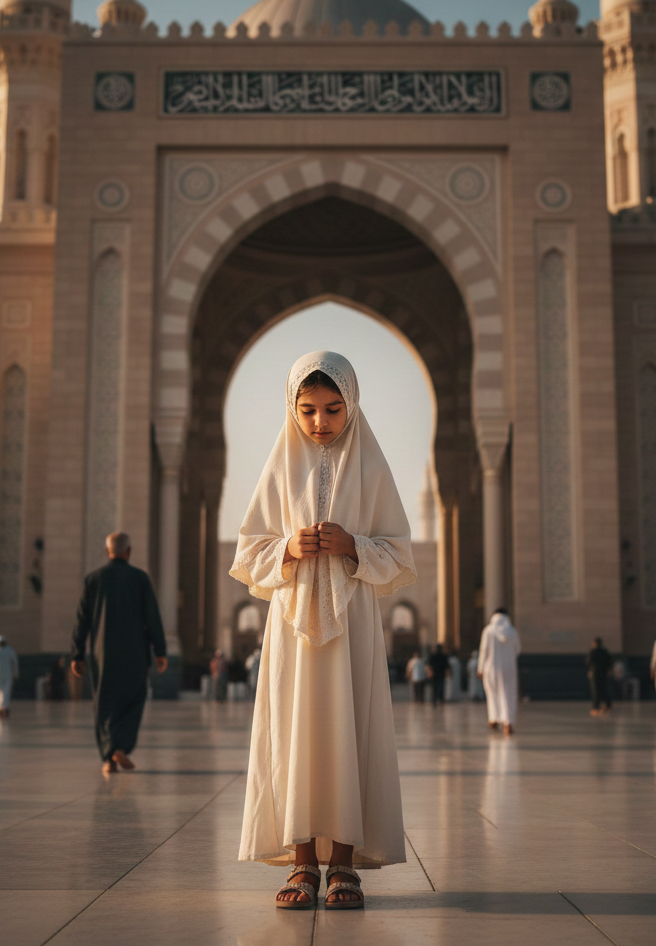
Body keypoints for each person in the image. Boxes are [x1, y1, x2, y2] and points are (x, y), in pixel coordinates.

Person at [231, 352, 415, 910]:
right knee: (294, 732)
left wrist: (353, 546)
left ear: (351, 405)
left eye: (333, 409)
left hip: (351, 620)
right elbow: (248, 551)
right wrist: (287, 546)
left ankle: (343, 863)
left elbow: (400, 553)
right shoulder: (280, 466)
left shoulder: (370, 465)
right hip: (292, 623)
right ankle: (302, 862)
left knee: (347, 729)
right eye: (308, 410)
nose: (320, 422)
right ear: (293, 408)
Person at [70, 531, 168, 775]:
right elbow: (152, 617)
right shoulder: (140, 579)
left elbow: (81, 620)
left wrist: (77, 654)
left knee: (104, 704)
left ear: (107, 552)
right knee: (134, 699)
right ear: (129, 551)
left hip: (103, 655)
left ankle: (108, 758)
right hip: (135, 653)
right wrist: (160, 650)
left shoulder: (93, 580)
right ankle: (120, 747)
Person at [477, 608, 521, 735]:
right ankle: (508, 723)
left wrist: (480, 668)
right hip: (508, 668)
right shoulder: (511, 630)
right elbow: (518, 649)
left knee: (492, 693)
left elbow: (483, 650)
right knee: (508, 694)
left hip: (490, 668)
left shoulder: (488, 630)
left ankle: (494, 719)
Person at [586, 637, 612, 715]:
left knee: (595, 691)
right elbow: (610, 662)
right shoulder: (605, 652)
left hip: (595, 674)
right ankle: (607, 705)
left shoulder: (593, 652)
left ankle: (596, 707)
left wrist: (591, 670)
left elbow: (588, 662)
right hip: (603, 673)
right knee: (604, 689)